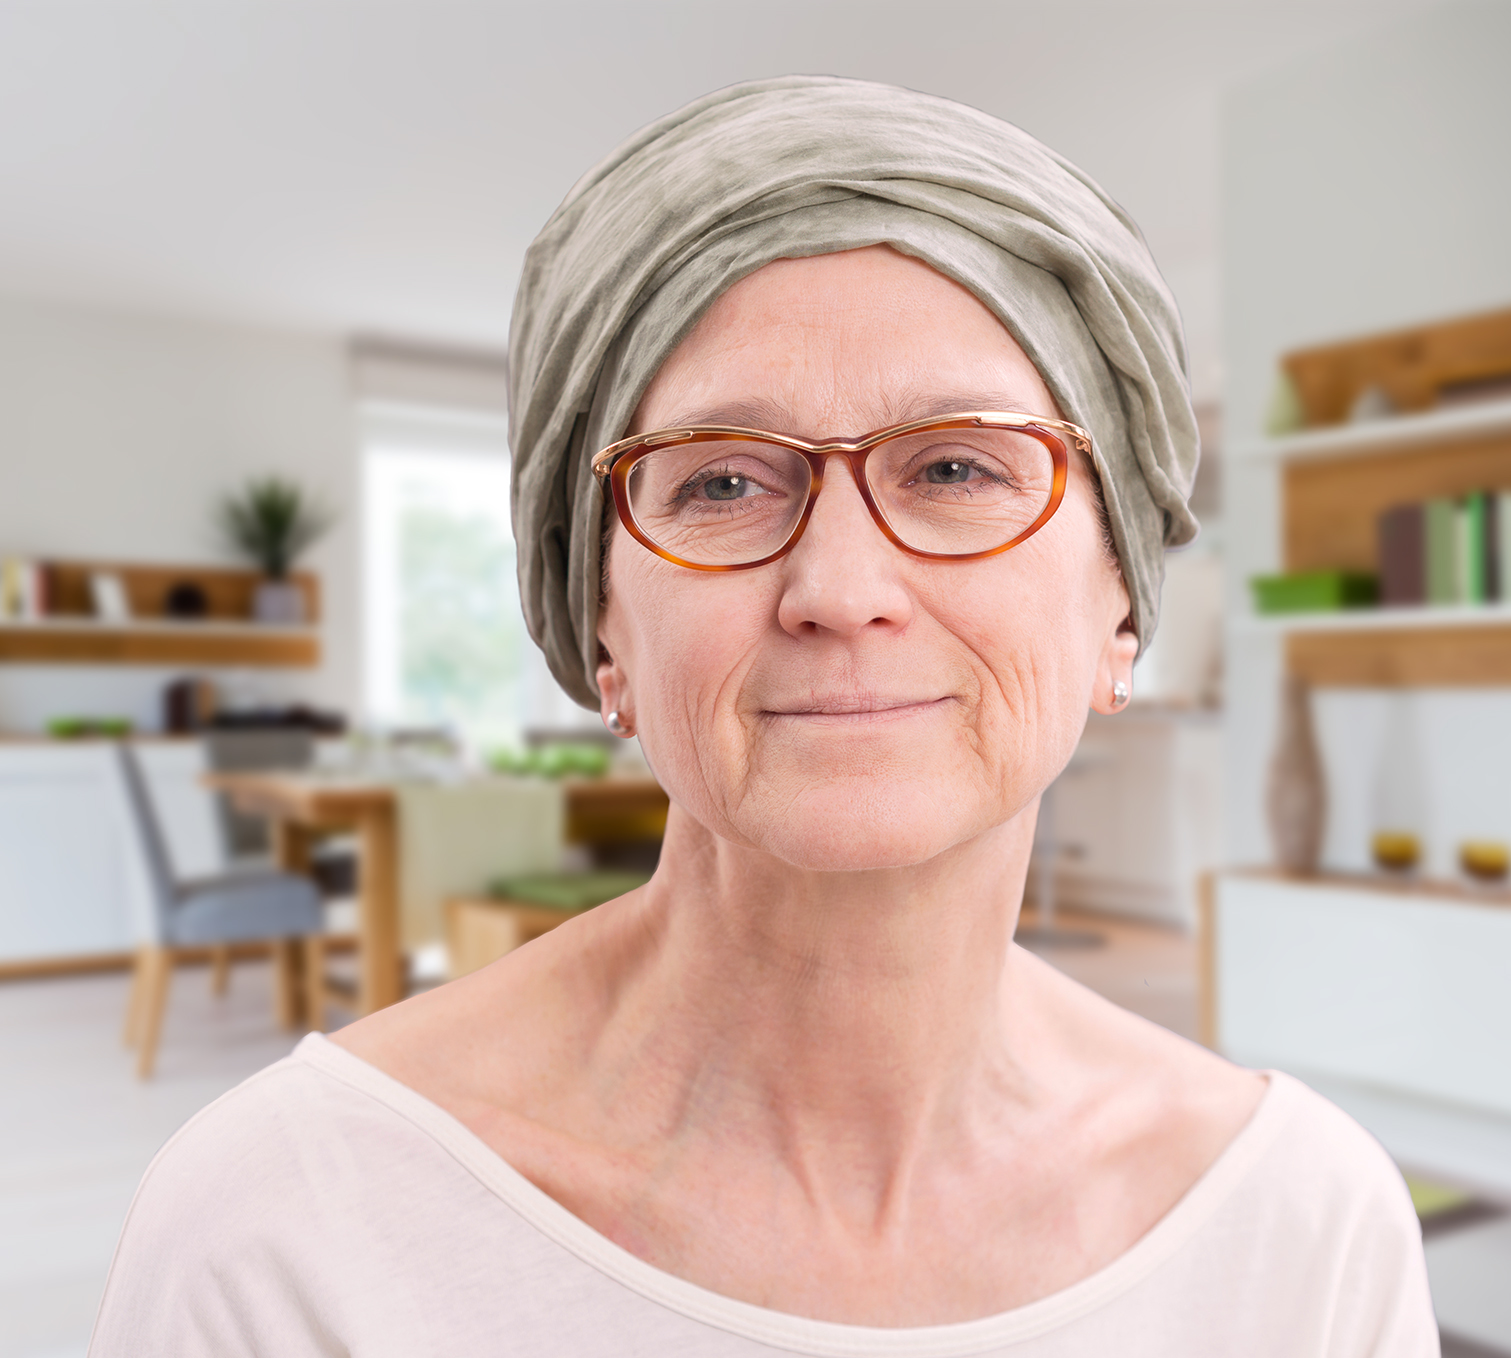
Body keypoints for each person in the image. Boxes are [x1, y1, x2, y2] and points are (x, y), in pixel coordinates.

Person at [92, 77, 1437, 1355]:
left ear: (1122, 605)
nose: (842, 589)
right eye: (723, 484)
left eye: (958, 464)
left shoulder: (1302, 1228)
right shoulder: (281, 1231)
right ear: (599, 626)